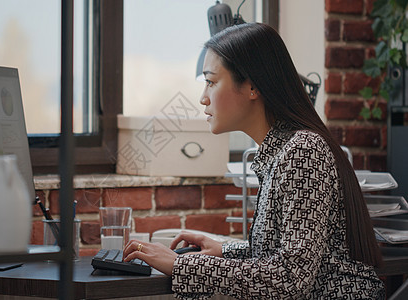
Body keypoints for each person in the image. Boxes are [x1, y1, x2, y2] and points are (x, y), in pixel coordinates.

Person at [123, 23, 385, 299]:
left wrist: (180, 264)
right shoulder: (280, 151)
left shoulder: (303, 150)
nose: (203, 98)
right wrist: (224, 250)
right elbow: (287, 254)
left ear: (252, 87)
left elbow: (290, 279)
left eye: (211, 82)